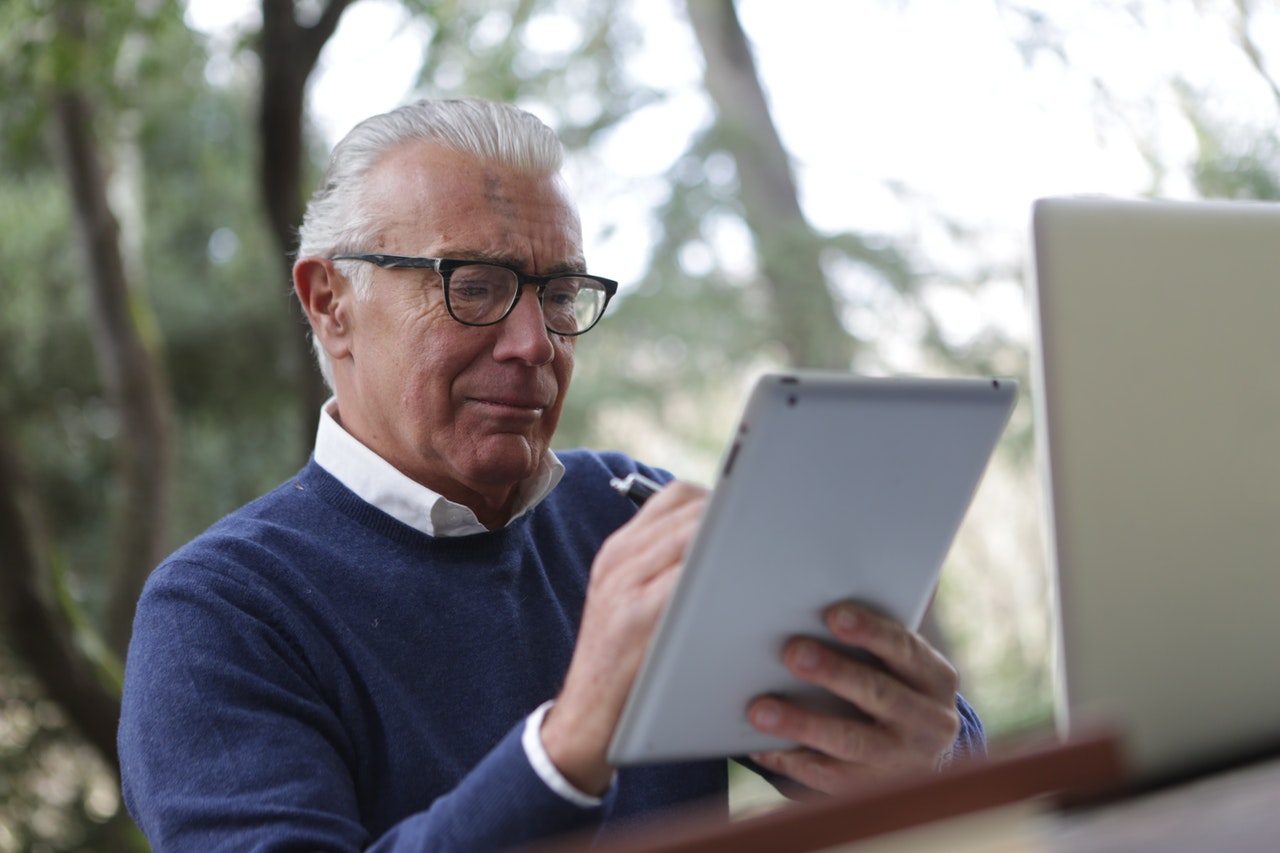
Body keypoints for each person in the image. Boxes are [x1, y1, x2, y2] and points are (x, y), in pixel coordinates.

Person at [117, 98, 984, 851]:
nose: (535, 344)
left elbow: (907, 761)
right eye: (478, 285)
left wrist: (928, 752)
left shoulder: (628, 511)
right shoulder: (218, 614)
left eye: (560, 293)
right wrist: (568, 744)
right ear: (330, 303)